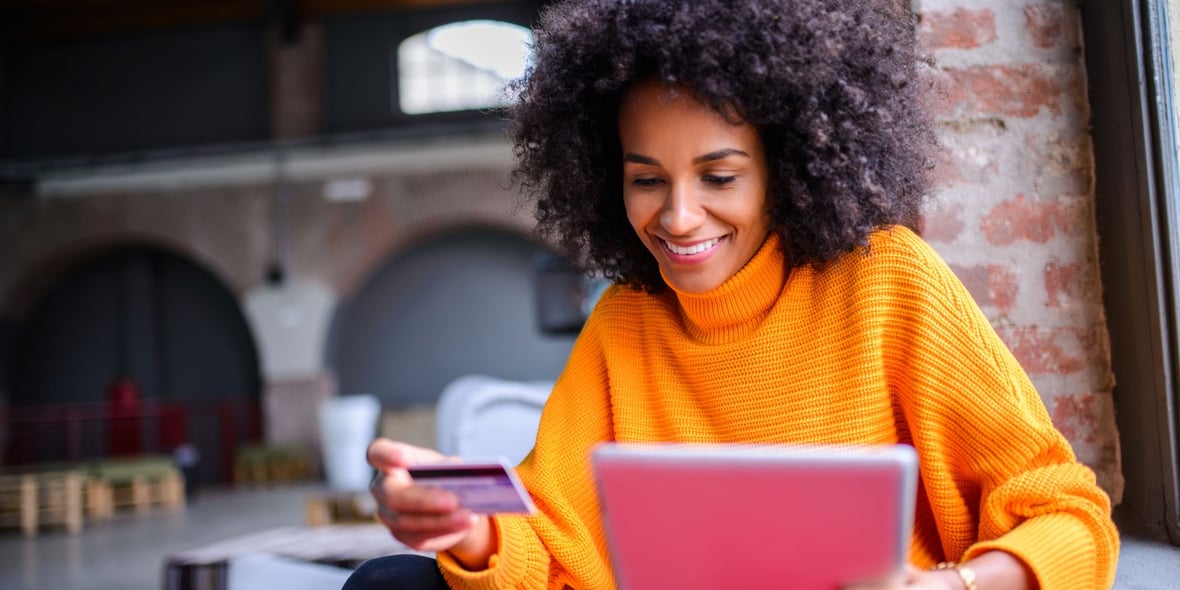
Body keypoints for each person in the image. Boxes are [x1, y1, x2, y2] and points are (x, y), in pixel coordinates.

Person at [344, 0, 1120, 588]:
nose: (678, 217)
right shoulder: (626, 321)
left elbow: (1067, 516)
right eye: (645, 179)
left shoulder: (888, 280)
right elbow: (554, 542)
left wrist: (959, 586)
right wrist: (471, 529)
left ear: (786, 165)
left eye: (718, 177)